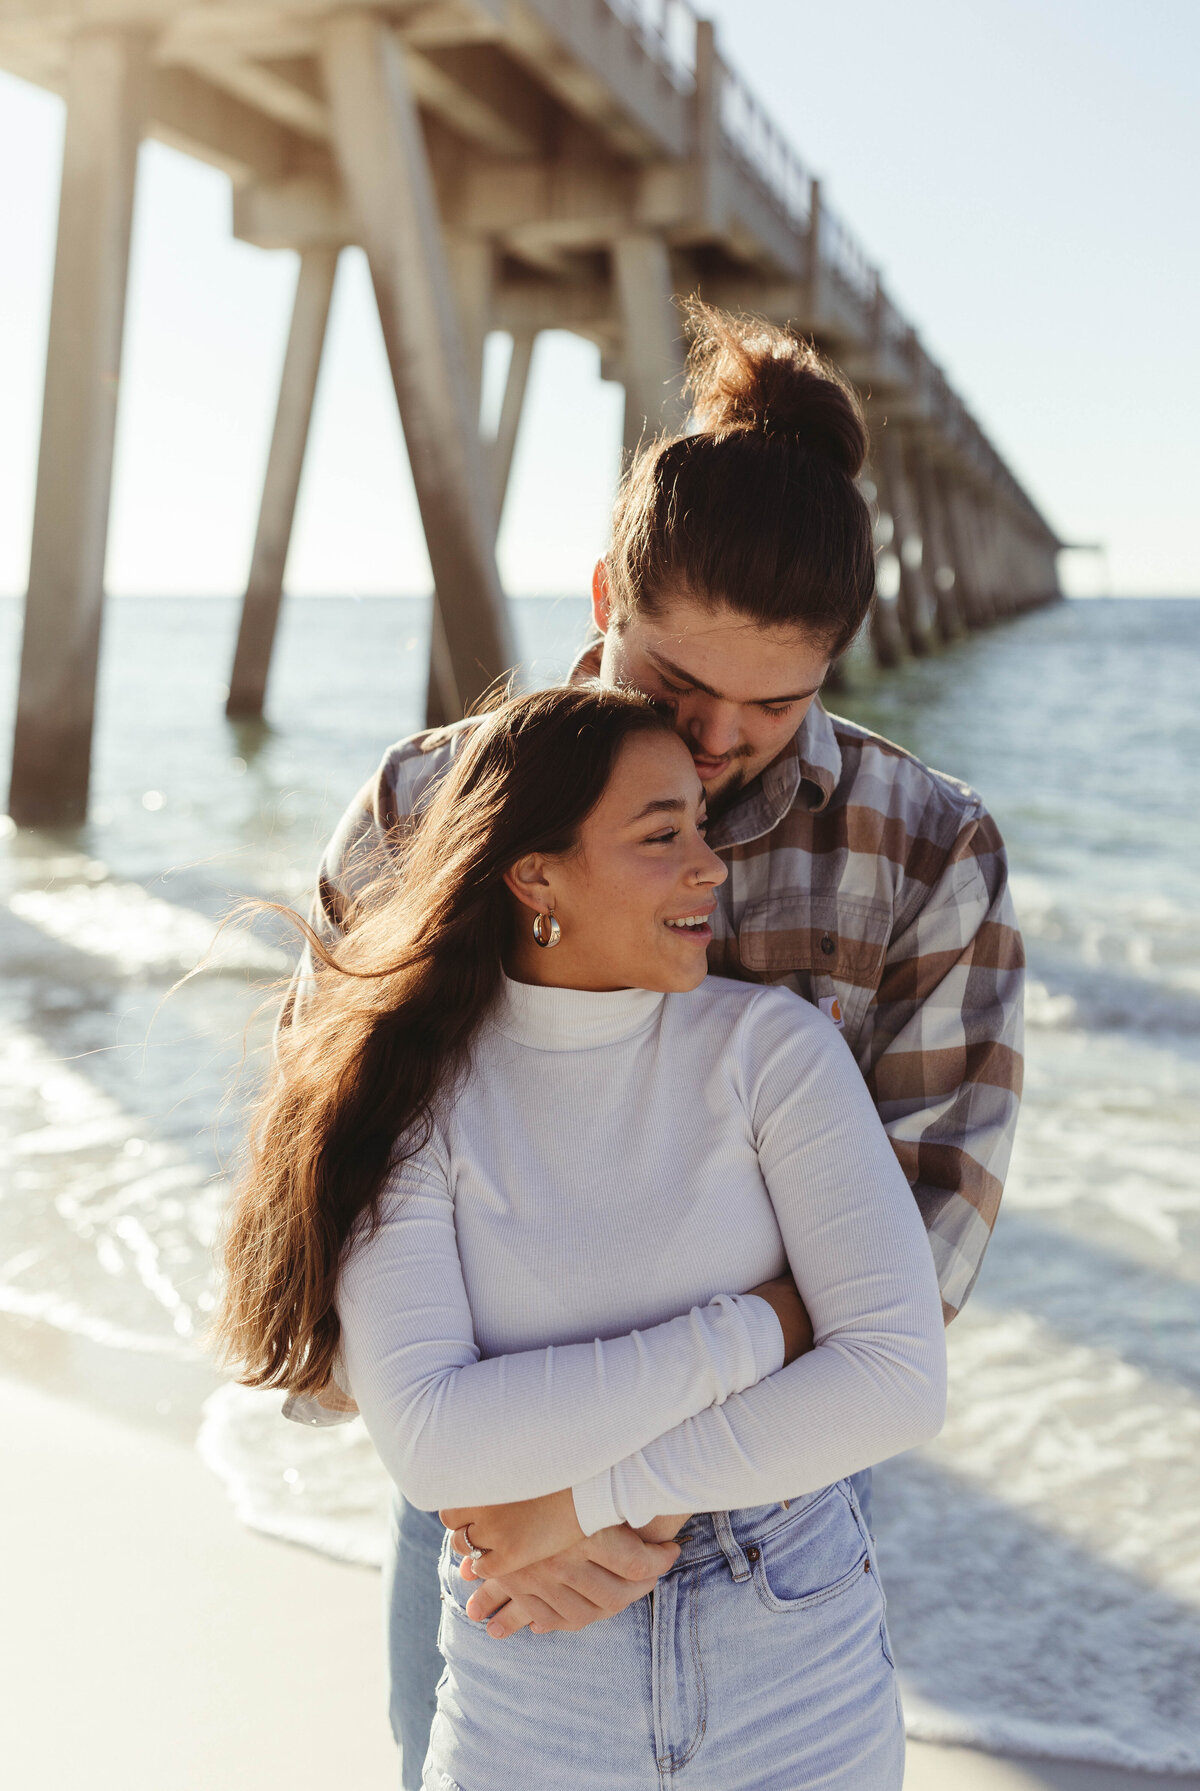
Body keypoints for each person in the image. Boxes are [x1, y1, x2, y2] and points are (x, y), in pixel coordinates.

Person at [278, 304, 1023, 1783]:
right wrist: (518, 1502)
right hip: (479, 1511)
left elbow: (918, 1247)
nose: (719, 738)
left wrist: (621, 1492)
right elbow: (330, 1168)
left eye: (775, 701)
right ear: (607, 590)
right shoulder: (429, 808)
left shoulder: (928, 847)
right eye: (678, 686)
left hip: (768, 1502)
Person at [219, 683, 947, 1789]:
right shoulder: (409, 1094)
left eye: (701, 831)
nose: (710, 868)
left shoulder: (773, 1052)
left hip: (789, 1652)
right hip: (533, 1667)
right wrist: (762, 1331)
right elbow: (433, 1440)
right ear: (535, 873)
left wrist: (574, 1502)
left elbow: (897, 1381)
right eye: (663, 837)